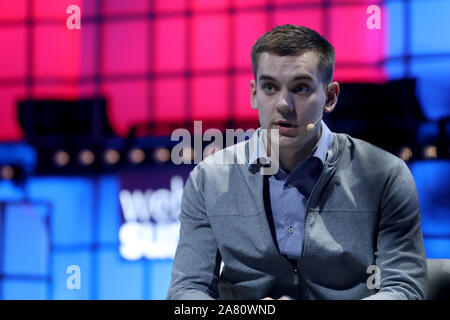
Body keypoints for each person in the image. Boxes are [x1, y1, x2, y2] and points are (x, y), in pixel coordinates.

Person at [166, 24, 427, 300]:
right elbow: (187, 291)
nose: (283, 104)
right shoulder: (209, 179)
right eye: (269, 87)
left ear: (330, 97)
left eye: (300, 88)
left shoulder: (386, 176)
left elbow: (404, 289)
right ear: (254, 94)